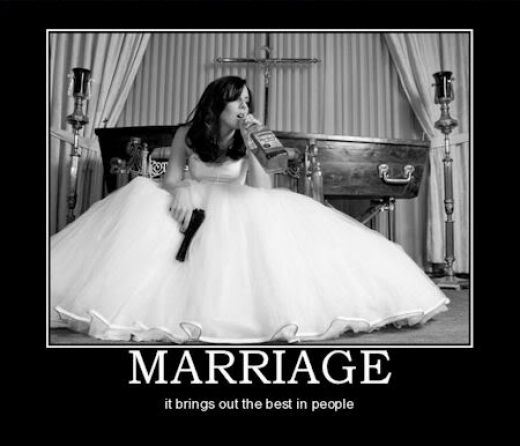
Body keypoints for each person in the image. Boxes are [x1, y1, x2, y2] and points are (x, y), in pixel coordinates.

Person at [50, 75, 449, 343]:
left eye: (248, 101)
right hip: (192, 200)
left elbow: (261, 190)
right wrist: (183, 187)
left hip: (241, 207)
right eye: (238, 100)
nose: (244, 106)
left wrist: (254, 140)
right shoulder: (187, 134)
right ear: (219, 102)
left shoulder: (251, 135)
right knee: (144, 203)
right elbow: (170, 178)